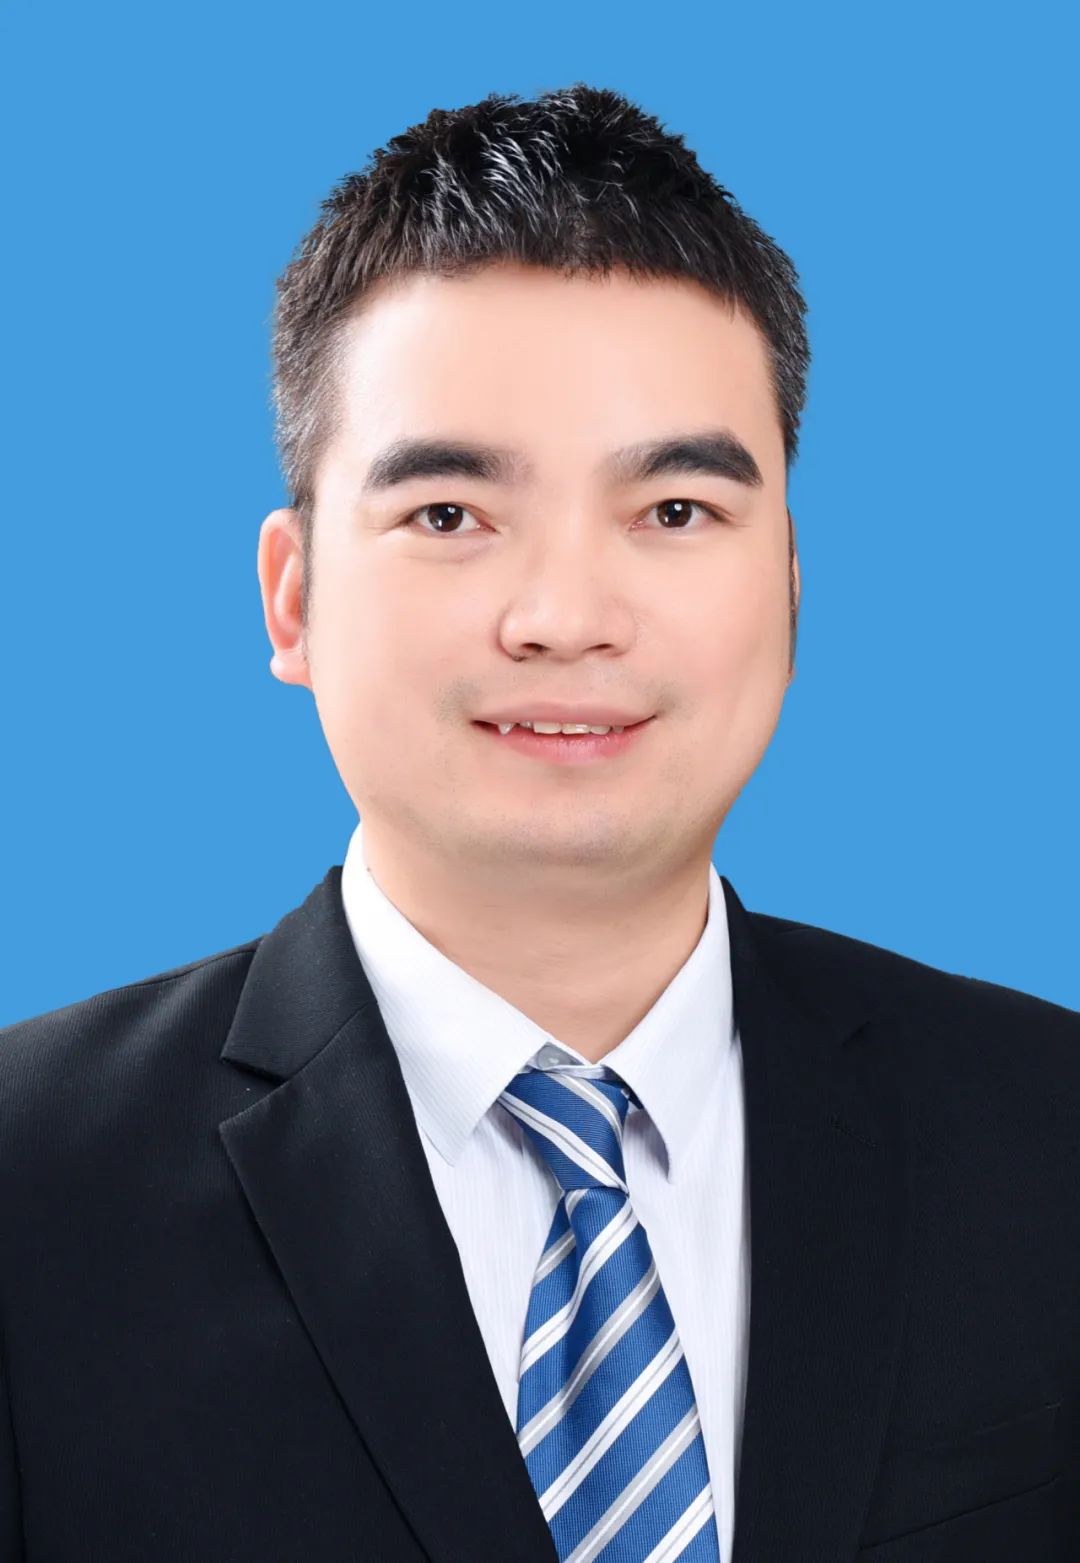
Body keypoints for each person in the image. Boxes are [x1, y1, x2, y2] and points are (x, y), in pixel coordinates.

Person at [0, 83, 1076, 1563]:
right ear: (293, 597)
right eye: (449, 514)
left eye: (676, 511)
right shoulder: (30, 1190)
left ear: (789, 582)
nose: (566, 617)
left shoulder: (1048, 1135)